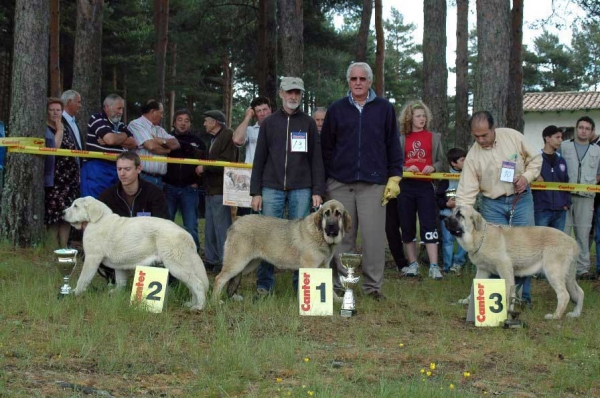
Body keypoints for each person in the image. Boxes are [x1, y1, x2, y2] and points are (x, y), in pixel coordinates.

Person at [320, 62, 403, 300]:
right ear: (348, 81)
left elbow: (393, 145)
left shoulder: (384, 108)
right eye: (353, 79)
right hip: (339, 183)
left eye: (362, 79)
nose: (358, 82)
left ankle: (373, 287)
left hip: (374, 183)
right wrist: (325, 181)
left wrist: (395, 175)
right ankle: (341, 285)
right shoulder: (336, 109)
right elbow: (326, 147)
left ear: (369, 81)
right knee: (340, 236)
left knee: (373, 238)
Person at [456, 110, 542, 305]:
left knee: (524, 249)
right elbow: (466, 191)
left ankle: (522, 299)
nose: (481, 140)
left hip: (520, 200)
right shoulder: (472, 156)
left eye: (484, 135)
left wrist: (526, 177)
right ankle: (495, 301)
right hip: (492, 205)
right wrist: (462, 214)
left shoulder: (513, 137)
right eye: (476, 136)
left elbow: (535, 159)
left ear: (493, 128)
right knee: (492, 254)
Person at [250, 77, 324, 295]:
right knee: (267, 237)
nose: (293, 96)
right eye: (290, 92)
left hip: (302, 189)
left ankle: (301, 285)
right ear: (281, 94)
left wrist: (317, 190)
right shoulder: (269, 123)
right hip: (271, 188)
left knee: (303, 238)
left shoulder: (309, 123)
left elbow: (316, 160)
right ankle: (265, 284)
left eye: (298, 93)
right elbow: (259, 158)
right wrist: (256, 191)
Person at [98, 151, 170, 284]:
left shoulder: (155, 194)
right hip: (119, 247)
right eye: (119, 169)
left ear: (139, 169)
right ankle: (114, 281)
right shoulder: (107, 196)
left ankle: (164, 282)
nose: (122, 173)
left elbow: (163, 225)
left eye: (127, 169)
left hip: (148, 245)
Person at [397, 100, 445, 280]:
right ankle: (413, 264)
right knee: (407, 225)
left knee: (429, 224)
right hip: (406, 187)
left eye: (424, 115)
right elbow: (395, 163)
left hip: (426, 186)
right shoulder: (402, 139)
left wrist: (433, 167)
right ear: (410, 118)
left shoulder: (434, 137)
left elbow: (441, 161)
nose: (422, 119)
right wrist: (406, 169)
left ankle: (434, 266)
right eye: (418, 116)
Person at [560, 116, 600, 279]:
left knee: (583, 233)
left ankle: (582, 269)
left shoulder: (597, 150)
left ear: (592, 132)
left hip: (586, 197)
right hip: (565, 196)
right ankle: (562, 267)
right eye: (581, 127)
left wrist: (588, 183)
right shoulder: (564, 147)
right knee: (564, 232)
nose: (583, 131)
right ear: (576, 129)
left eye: (587, 128)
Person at [199, 110, 238, 272]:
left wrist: (205, 166)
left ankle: (225, 261)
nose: (204, 124)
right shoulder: (214, 138)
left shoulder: (228, 135)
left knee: (222, 227)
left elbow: (226, 161)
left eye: (206, 121)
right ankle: (211, 259)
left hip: (221, 189)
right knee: (210, 227)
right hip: (210, 189)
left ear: (215, 122)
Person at [163, 109, 206, 252]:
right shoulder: (166, 139)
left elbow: (207, 164)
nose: (183, 123)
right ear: (174, 122)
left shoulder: (198, 142)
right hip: (168, 188)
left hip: (190, 189)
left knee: (191, 226)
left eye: (186, 120)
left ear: (190, 124)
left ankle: (194, 256)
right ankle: (167, 255)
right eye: (180, 120)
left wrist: (198, 183)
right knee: (166, 225)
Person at [82, 94, 137, 198]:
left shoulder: (121, 125)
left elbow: (133, 143)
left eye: (122, 109)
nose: (121, 112)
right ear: (107, 107)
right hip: (97, 167)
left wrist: (115, 138)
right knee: (93, 203)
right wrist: (123, 136)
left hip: (116, 168)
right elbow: (110, 139)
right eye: (119, 108)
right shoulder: (97, 118)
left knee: (112, 204)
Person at [44, 97, 80, 248]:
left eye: (58, 110)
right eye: (52, 110)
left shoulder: (66, 127)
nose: (55, 113)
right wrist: (59, 130)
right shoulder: (46, 129)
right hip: (55, 179)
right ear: (47, 112)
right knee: (54, 215)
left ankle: (64, 246)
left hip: (70, 178)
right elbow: (55, 149)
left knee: (67, 215)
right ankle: (52, 247)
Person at [232, 96, 272, 216]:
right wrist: (247, 116)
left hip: (272, 179)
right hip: (250, 179)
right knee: (247, 219)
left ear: (270, 109)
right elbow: (237, 140)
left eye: (265, 109)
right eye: (258, 111)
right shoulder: (249, 130)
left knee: (269, 218)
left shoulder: (280, 128)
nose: (262, 113)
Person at [127, 99, 180, 187]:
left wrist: (161, 140)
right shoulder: (136, 124)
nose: (162, 116)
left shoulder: (159, 129)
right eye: (161, 113)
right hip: (142, 177)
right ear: (153, 112)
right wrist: (168, 150)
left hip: (159, 180)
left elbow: (176, 144)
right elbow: (151, 146)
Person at [436, 147, 468, 275]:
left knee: (464, 240)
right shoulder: (445, 178)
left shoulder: (468, 177)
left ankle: (458, 263)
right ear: (453, 163)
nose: (465, 162)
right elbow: (437, 197)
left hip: (464, 216)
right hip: (447, 216)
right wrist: (446, 203)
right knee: (448, 241)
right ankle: (447, 266)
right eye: (462, 160)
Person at [533, 125, 570, 231]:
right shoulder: (536, 158)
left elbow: (566, 183)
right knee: (540, 241)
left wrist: (566, 204)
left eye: (561, 137)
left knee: (557, 244)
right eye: (557, 137)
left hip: (560, 210)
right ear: (547, 138)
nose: (561, 140)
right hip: (542, 209)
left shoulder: (561, 160)